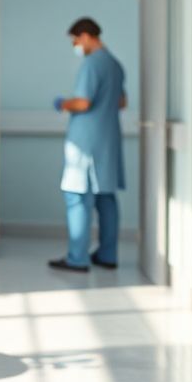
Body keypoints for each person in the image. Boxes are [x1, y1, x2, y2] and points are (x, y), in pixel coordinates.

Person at [49, 17, 127, 273]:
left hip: (87, 141)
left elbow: (83, 103)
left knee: (77, 197)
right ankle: (107, 254)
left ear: (85, 36)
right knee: (106, 198)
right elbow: (121, 102)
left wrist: (62, 104)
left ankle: (77, 258)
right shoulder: (115, 65)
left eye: (75, 40)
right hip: (108, 139)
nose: (75, 46)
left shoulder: (91, 64)